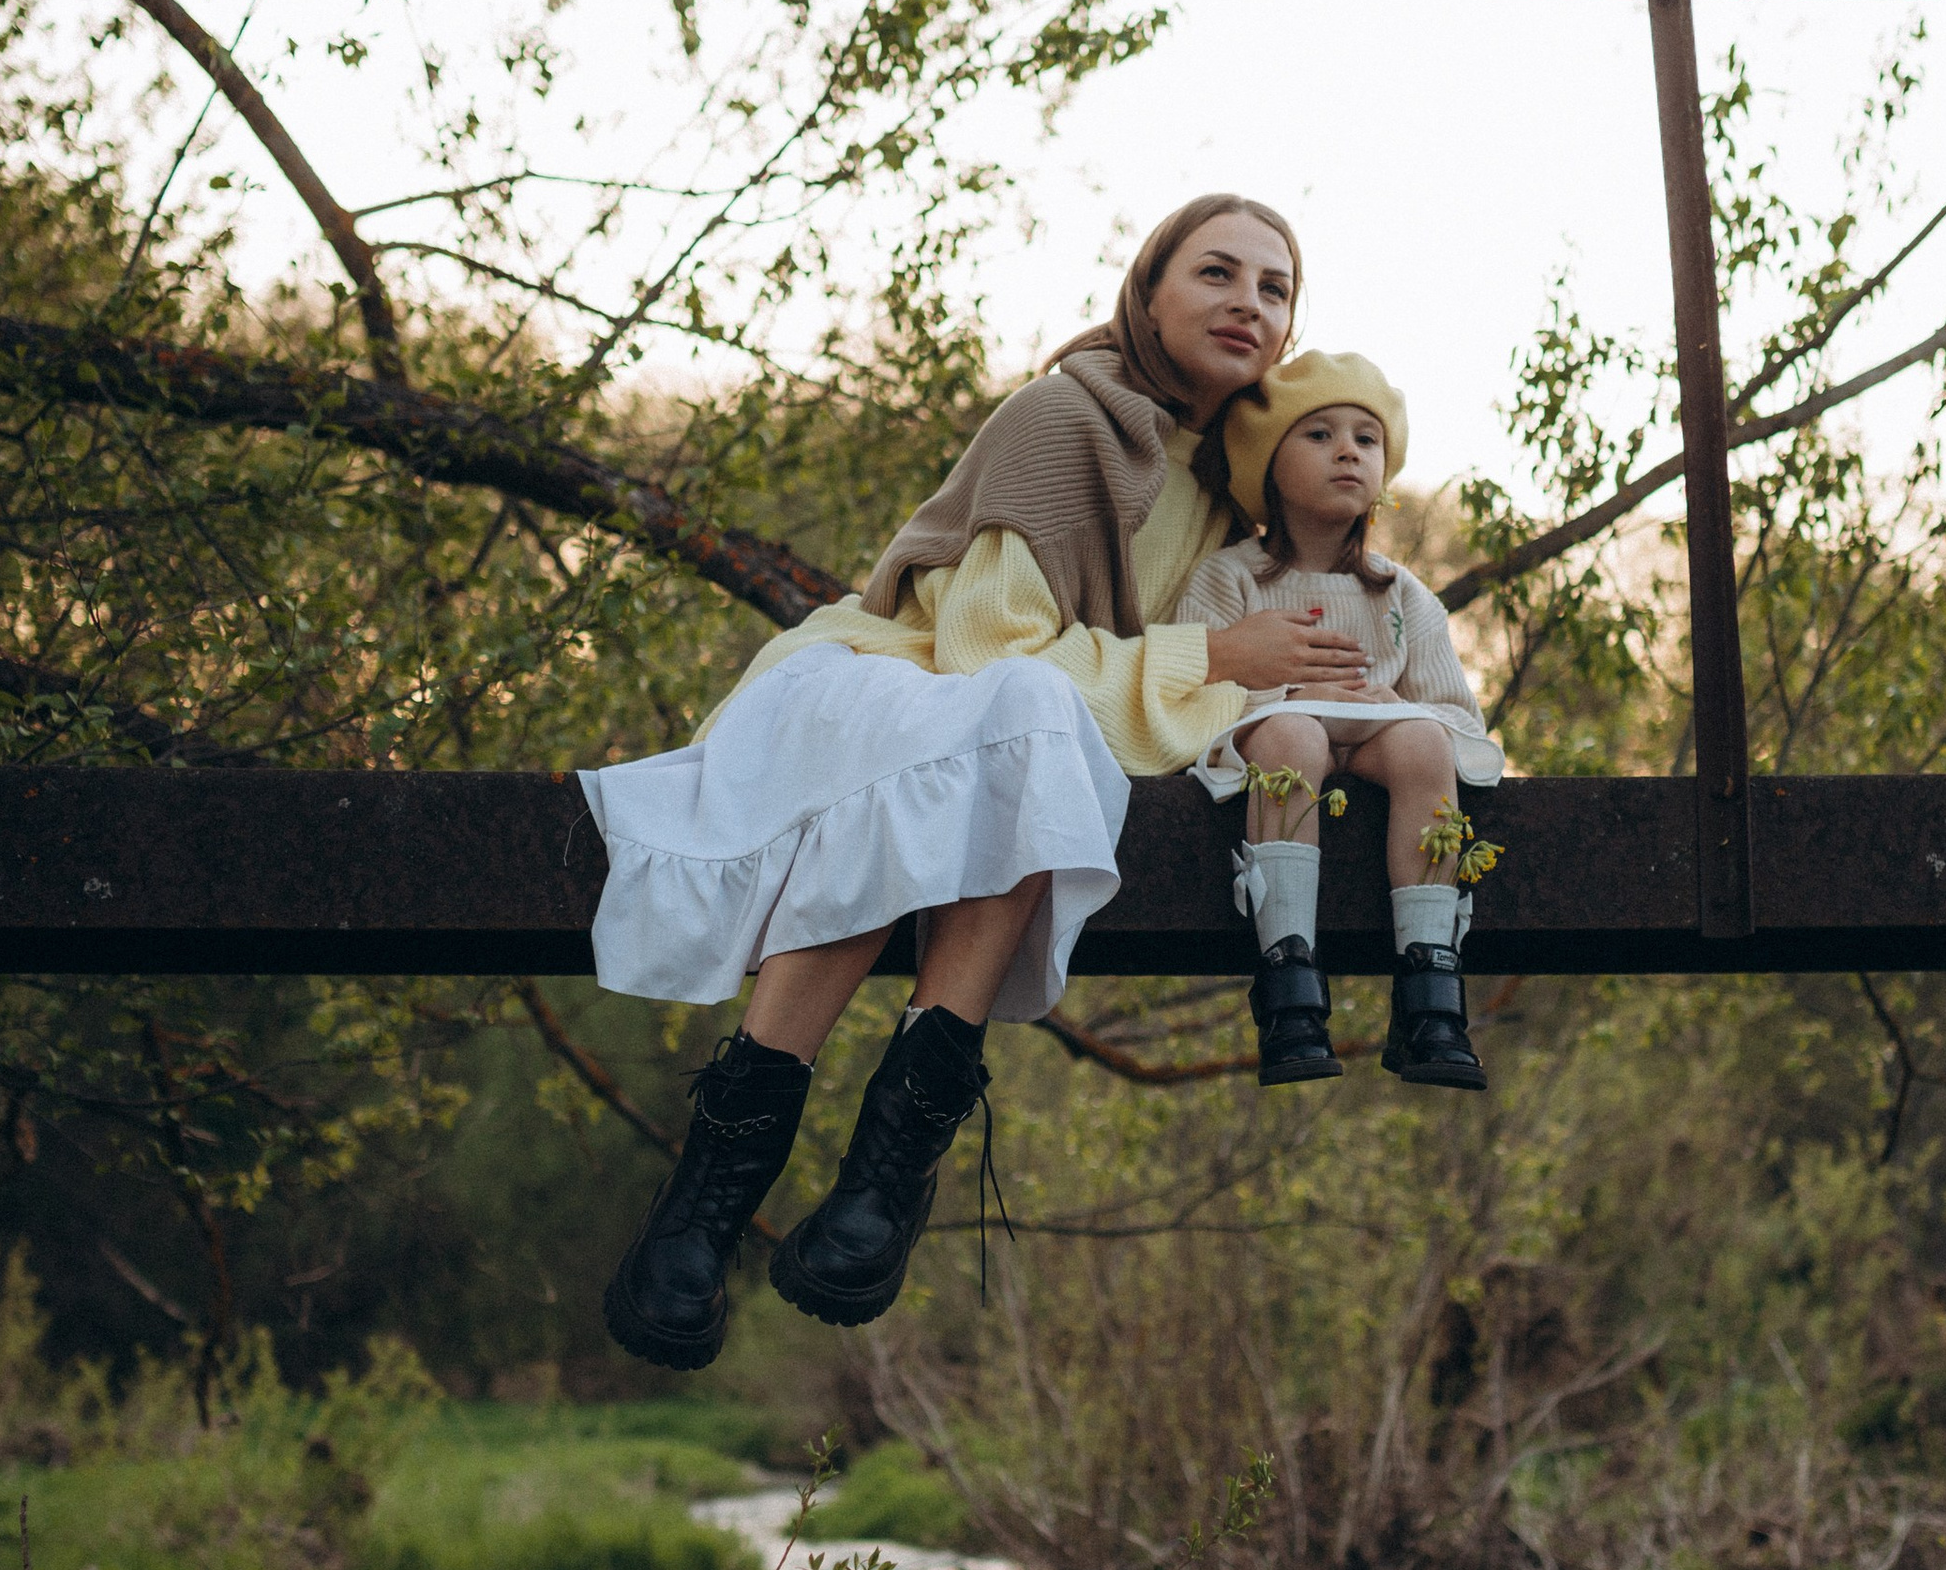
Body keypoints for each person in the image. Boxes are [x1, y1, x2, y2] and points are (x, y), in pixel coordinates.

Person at [579, 197, 1374, 1364]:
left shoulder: (1234, 487)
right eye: (1216, 273)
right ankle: (712, 1204)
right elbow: (989, 649)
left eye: (1274, 288)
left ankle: (878, 1187)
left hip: (1019, 734)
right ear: (1149, 291)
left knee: (1034, 756)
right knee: (1022, 731)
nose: (1247, 305)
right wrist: (1209, 658)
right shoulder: (1069, 417)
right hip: (887, 681)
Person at [1174, 353, 1504, 1091]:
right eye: (1319, 434)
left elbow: (1458, 718)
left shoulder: (1397, 593)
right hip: (1282, 735)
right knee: (1298, 738)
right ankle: (1288, 985)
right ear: (1269, 466)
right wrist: (1275, 702)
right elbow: (1188, 691)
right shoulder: (1231, 578)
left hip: (1379, 742)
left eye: (1367, 438)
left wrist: (1398, 707)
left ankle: (1431, 991)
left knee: (1423, 743)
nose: (1349, 450)